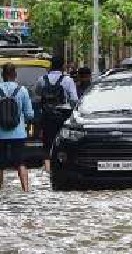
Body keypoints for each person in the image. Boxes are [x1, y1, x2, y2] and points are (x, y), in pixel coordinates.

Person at [36, 55, 78, 172]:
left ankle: (48, 169)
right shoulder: (68, 80)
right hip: (63, 116)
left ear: (51, 66)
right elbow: (74, 99)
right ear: (63, 66)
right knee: (63, 142)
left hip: (47, 116)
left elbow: (37, 95)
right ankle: (62, 166)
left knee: (47, 143)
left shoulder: (42, 79)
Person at [0, 63, 34, 191]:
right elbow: (30, 114)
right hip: (18, 133)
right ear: (15, 75)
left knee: (0, 164)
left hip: (0, 133)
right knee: (20, 162)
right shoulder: (22, 90)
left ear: (2, 75)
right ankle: (25, 189)